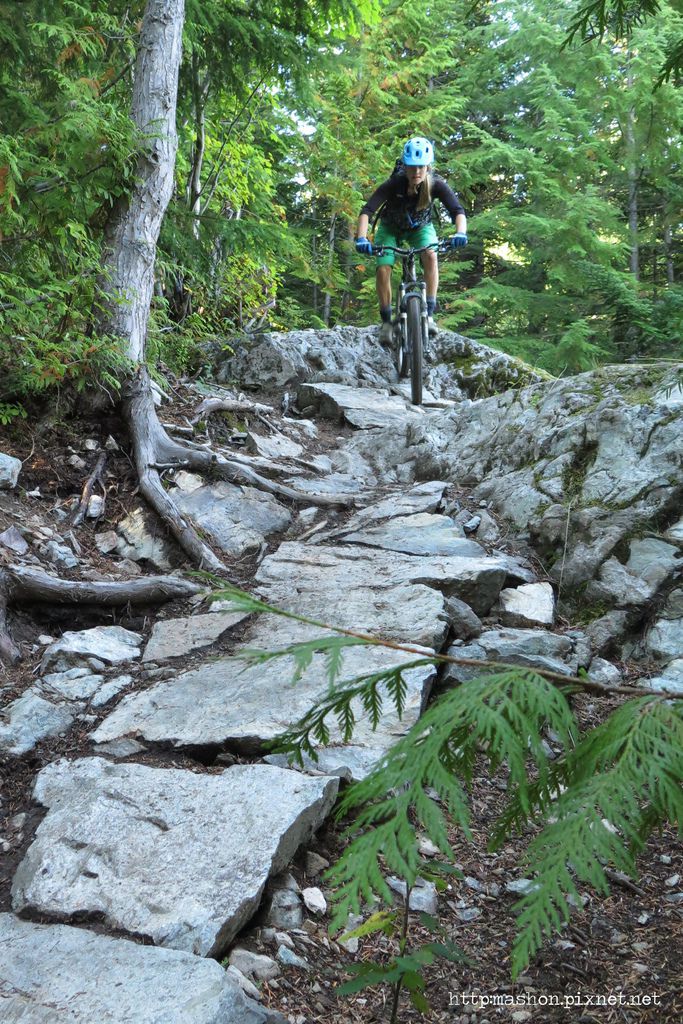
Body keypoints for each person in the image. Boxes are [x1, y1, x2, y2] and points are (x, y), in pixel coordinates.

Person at [355, 137, 467, 343]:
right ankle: (387, 321)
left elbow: (457, 210)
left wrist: (461, 233)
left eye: (421, 167)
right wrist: (361, 238)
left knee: (431, 256)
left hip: (420, 228)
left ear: (428, 167)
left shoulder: (436, 185)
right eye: (412, 167)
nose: (416, 172)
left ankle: (430, 314)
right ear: (405, 167)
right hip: (390, 228)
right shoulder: (394, 183)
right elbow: (367, 211)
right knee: (383, 268)